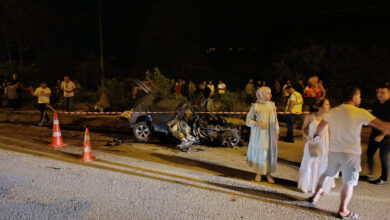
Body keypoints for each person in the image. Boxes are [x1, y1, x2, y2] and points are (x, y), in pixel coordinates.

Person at [308, 88, 390, 219]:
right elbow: (382, 126)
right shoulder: (360, 112)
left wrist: (314, 140)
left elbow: (320, 127)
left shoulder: (334, 111)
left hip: (334, 151)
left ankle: (314, 196)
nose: (361, 99)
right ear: (354, 96)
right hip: (351, 153)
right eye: (360, 96)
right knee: (349, 182)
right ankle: (343, 210)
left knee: (327, 173)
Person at [298, 98, 336, 193]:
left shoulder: (330, 118)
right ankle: (307, 185)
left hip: (325, 144)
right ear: (319, 106)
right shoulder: (311, 116)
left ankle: (321, 186)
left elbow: (331, 132)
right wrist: (305, 135)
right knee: (311, 163)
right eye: (327, 104)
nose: (329, 106)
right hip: (313, 143)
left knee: (323, 164)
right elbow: (303, 128)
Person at [246, 87, 279, 183]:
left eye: (270, 93)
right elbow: (248, 121)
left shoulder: (272, 105)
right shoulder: (255, 106)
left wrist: (277, 132)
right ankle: (259, 173)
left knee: (270, 153)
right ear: (262, 94)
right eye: (268, 93)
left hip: (271, 134)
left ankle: (268, 174)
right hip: (260, 135)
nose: (270, 95)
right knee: (261, 153)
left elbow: (275, 120)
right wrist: (258, 124)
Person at [366, 85, 390, 185]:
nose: (379, 94)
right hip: (375, 133)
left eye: (382, 92)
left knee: (383, 156)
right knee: (369, 153)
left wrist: (382, 135)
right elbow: (370, 116)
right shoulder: (376, 104)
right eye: (378, 92)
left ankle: (383, 178)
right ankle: (370, 173)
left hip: (387, 135)